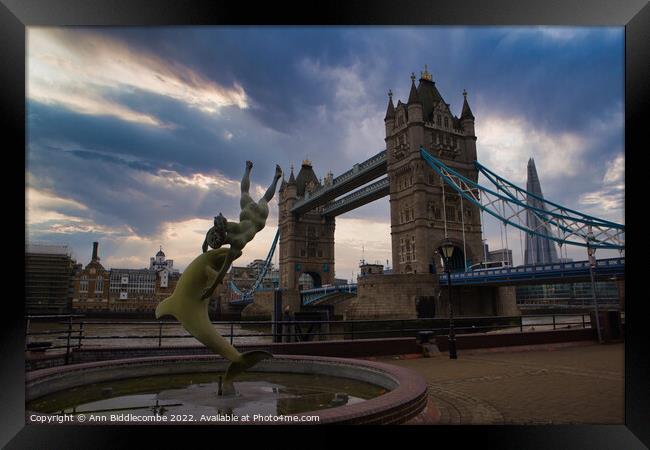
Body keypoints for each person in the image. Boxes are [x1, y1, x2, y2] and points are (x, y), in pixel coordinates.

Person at [200, 161, 282, 299]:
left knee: (263, 199)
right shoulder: (232, 227)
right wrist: (205, 243)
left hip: (259, 219)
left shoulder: (236, 246)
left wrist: (209, 291)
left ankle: (275, 177)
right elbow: (218, 227)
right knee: (245, 192)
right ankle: (250, 169)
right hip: (250, 213)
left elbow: (221, 273)